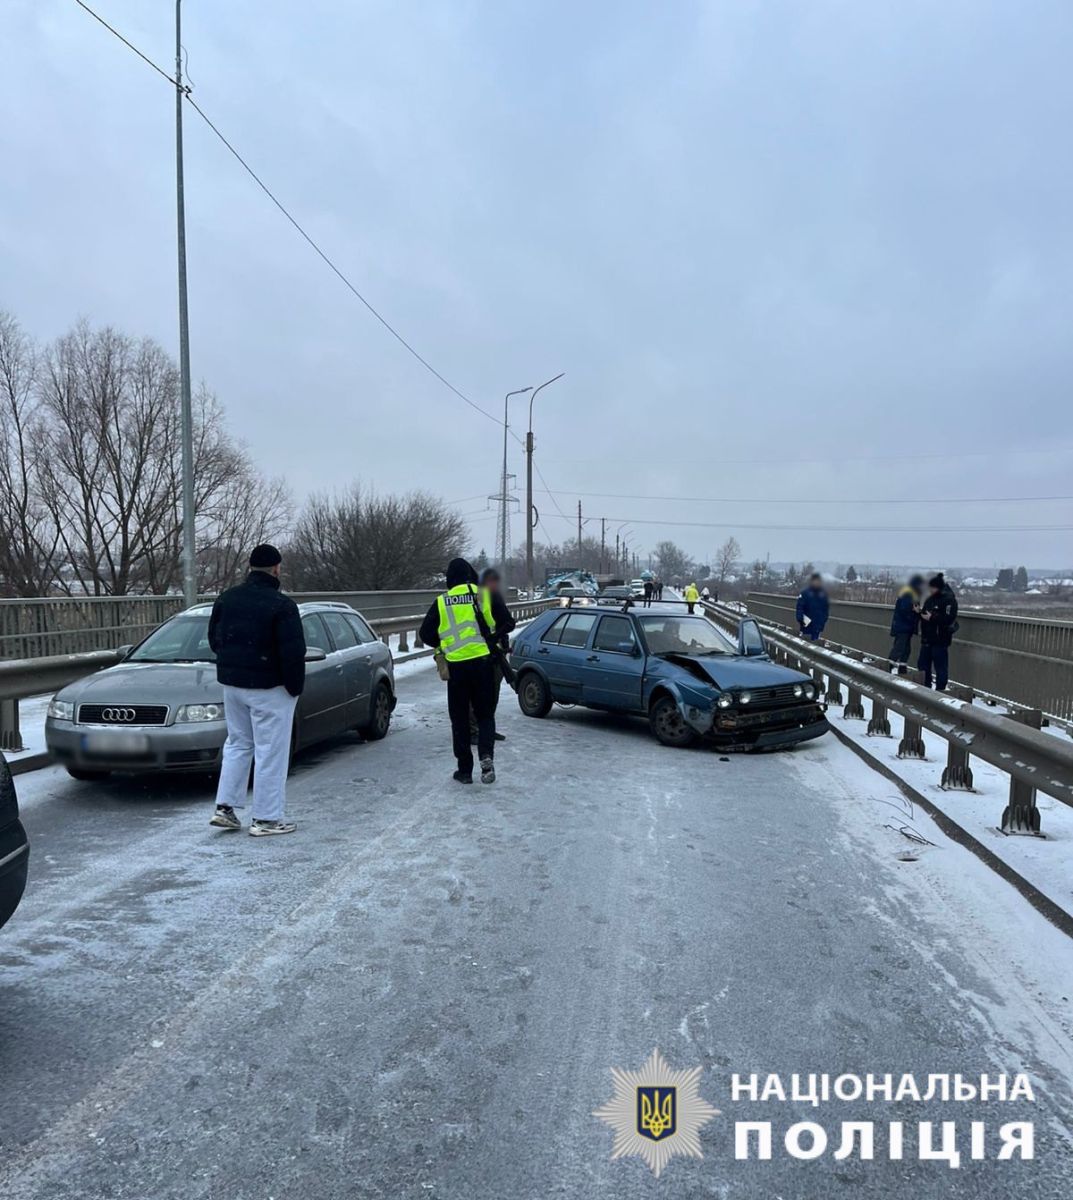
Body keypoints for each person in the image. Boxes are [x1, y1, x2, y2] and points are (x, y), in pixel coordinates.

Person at [208, 543, 305, 836]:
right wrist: (294, 687)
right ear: (276, 568)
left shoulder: (227, 599)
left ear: (250, 568)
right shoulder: (282, 605)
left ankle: (225, 807)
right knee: (270, 751)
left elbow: (215, 640)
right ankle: (266, 818)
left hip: (233, 686)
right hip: (269, 687)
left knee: (238, 744)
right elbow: (293, 652)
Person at [419, 558, 498, 785]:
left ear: (449, 578)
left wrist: (443, 643)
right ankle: (486, 755)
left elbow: (425, 634)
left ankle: (464, 771)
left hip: (457, 668)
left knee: (460, 718)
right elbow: (491, 624)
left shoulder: (442, 602)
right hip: (482, 663)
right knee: (484, 715)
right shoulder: (482, 594)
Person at [469, 567, 516, 744]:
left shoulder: (493, 597)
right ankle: (475, 730)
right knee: (479, 695)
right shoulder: (479, 597)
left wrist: (497, 638)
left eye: (495, 582)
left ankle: (486, 728)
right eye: (491, 581)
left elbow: (508, 622)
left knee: (491, 695)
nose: (493, 585)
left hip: (495, 652)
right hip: (481, 653)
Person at [918, 572, 959, 691]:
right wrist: (920, 613)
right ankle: (925, 688)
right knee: (923, 665)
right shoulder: (930, 599)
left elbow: (948, 619)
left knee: (940, 667)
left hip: (940, 639)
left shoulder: (949, 600)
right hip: (927, 638)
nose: (930, 590)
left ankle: (940, 691)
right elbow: (925, 613)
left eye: (932, 588)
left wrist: (932, 618)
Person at [889, 573, 924, 674]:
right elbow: (905, 608)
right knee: (899, 648)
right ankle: (888, 666)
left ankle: (902, 668)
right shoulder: (909, 594)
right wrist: (914, 610)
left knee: (905, 649)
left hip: (905, 626)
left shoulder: (909, 592)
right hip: (904, 626)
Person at [795, 573, 829, 641]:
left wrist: (822, 622)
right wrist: (801, 619)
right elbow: (800, 607)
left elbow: (825, 610)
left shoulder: (823, 594)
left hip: (817, 626)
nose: (816, 583)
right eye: (815, 581)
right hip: (807, 625)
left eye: (818, 581)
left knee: (815, 643)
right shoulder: (805, 593)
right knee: (806, 643)